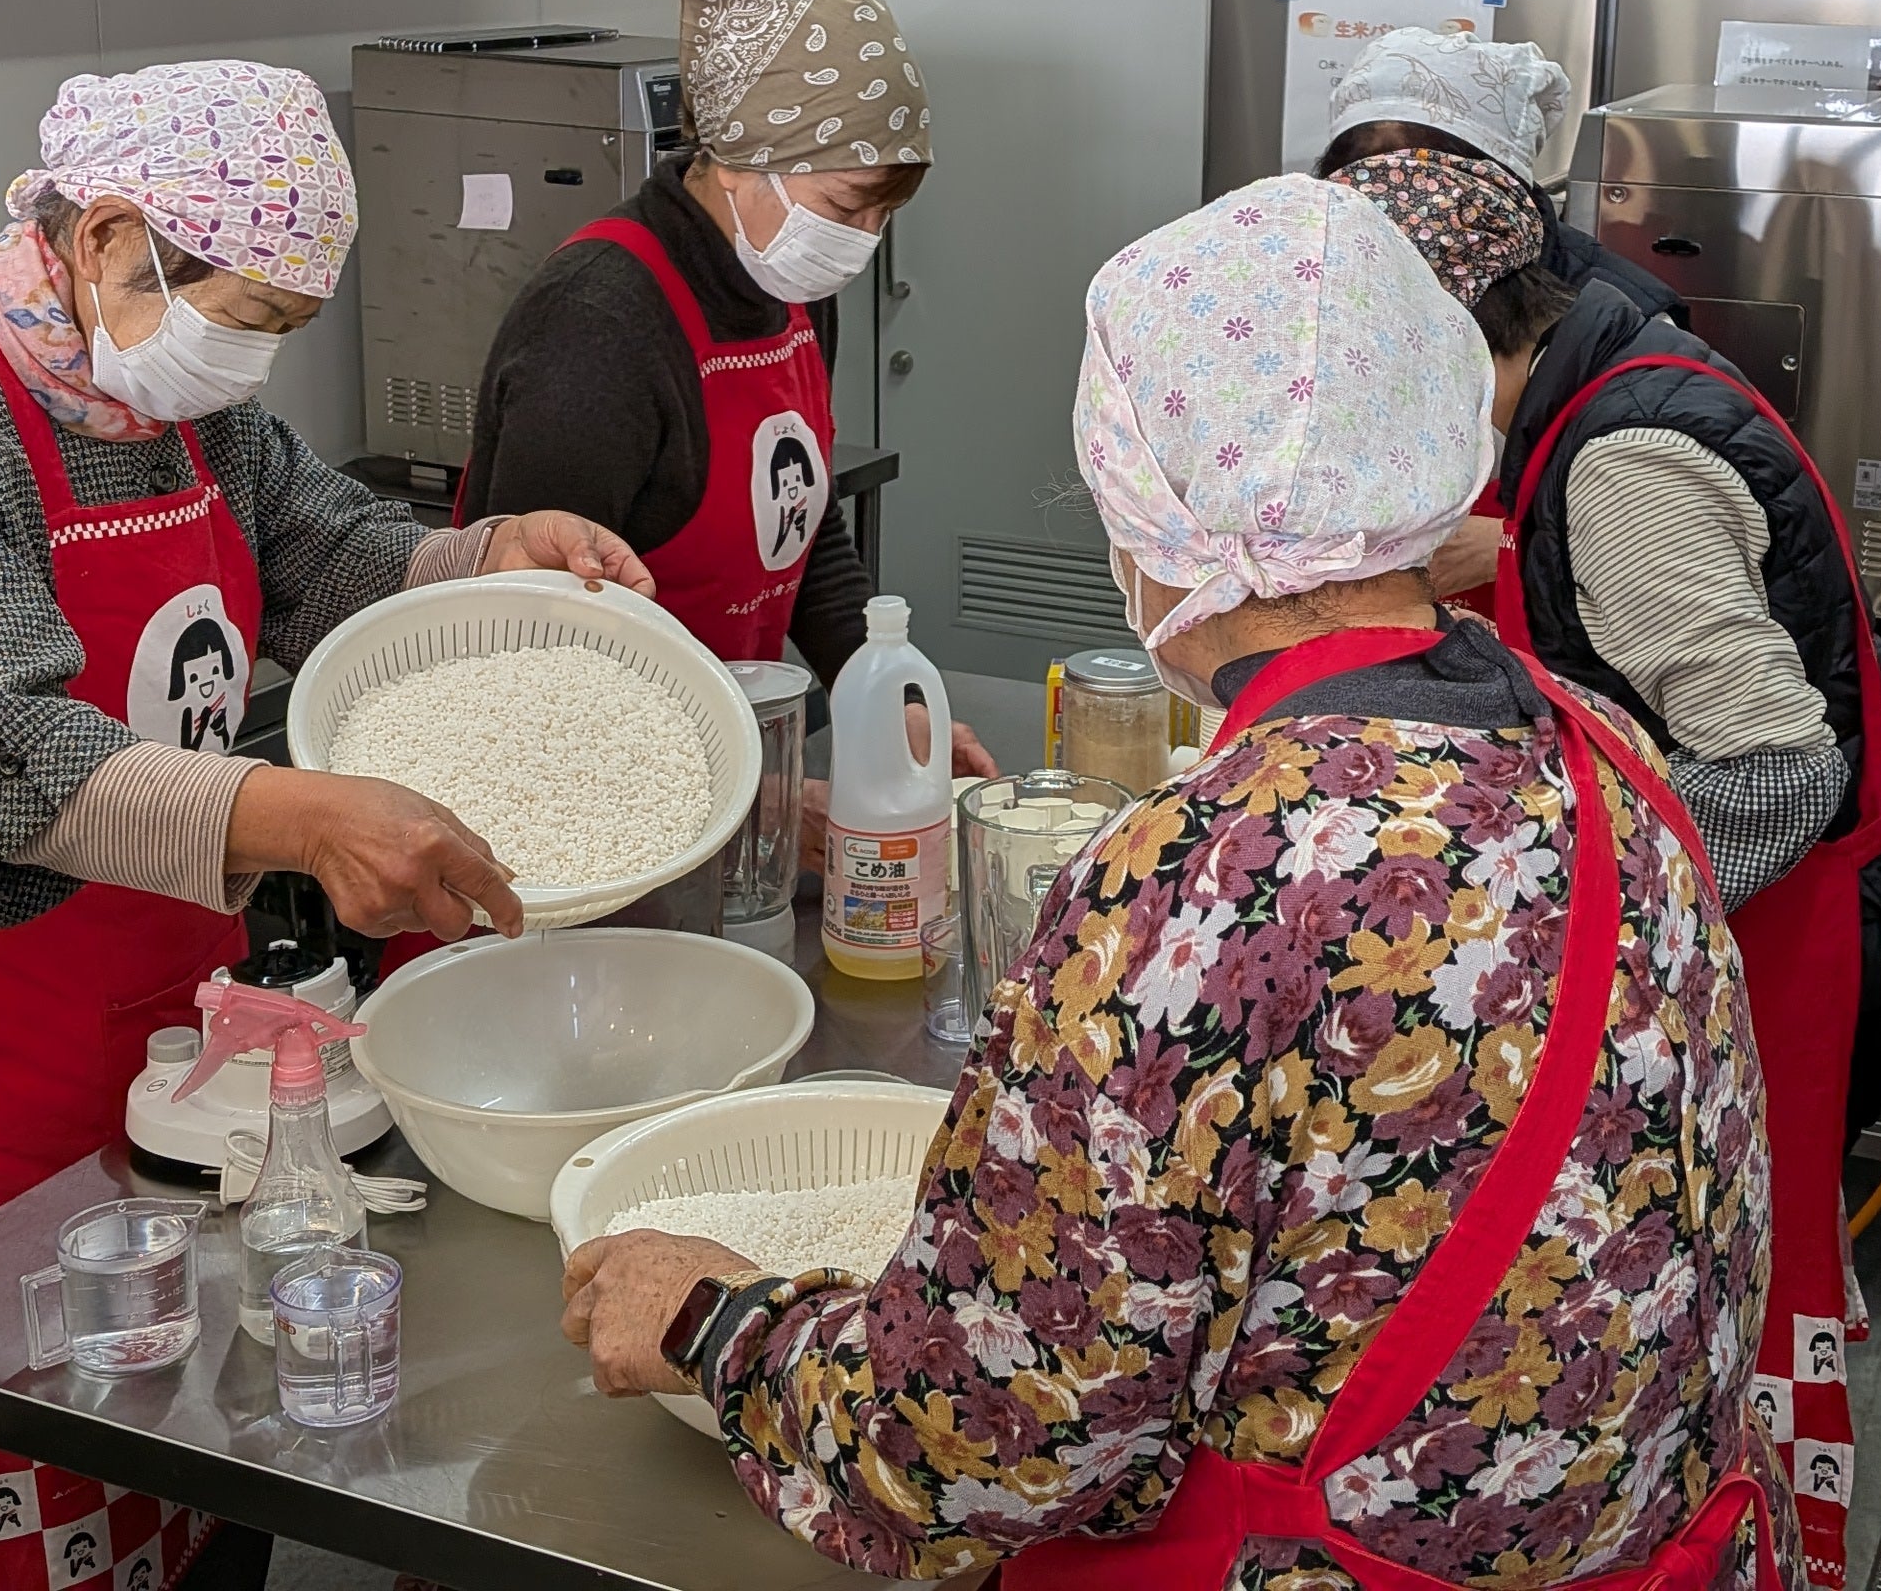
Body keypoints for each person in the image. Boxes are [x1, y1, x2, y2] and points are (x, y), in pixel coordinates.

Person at [561, 177, 1801, 1591]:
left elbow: (976, 1440)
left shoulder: (1203, 884)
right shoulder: (1600, 744)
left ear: (1158, 516)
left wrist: (716, 1322)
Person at [0, 59, 652, 1591]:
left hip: (171, 1051)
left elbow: (331, 551)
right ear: (107, 237)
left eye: (283, 328)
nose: (253, 360)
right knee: (24, 1474)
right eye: (246, 316)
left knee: (206, 1456)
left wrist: (486, 558)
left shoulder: (166, 403)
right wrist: (301, 816)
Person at [1331, 148, 1881, 1585]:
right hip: (1762, 915)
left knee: (1707, 1326)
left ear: (1447, 336)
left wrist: (1561, 910)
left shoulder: (1620, 463)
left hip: (1784, 932)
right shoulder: (1610, 373)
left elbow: (1775, 769)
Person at [463, 0, 990, 780]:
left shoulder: (790, 284)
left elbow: (801, 532)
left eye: (885, 214)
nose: (862, 241)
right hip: (584, 784)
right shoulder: (599, 321)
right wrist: (750, 808)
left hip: (725, 757)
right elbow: (537, 646)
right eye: (847, 207)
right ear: (741, 158)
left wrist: (888, 697)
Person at [1315, 25, 1681, 329]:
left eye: (1426, 182)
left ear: (1505, 187)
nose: (1392, 201)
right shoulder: (1310, 276)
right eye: (1360, 171)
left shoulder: (1624, 319)